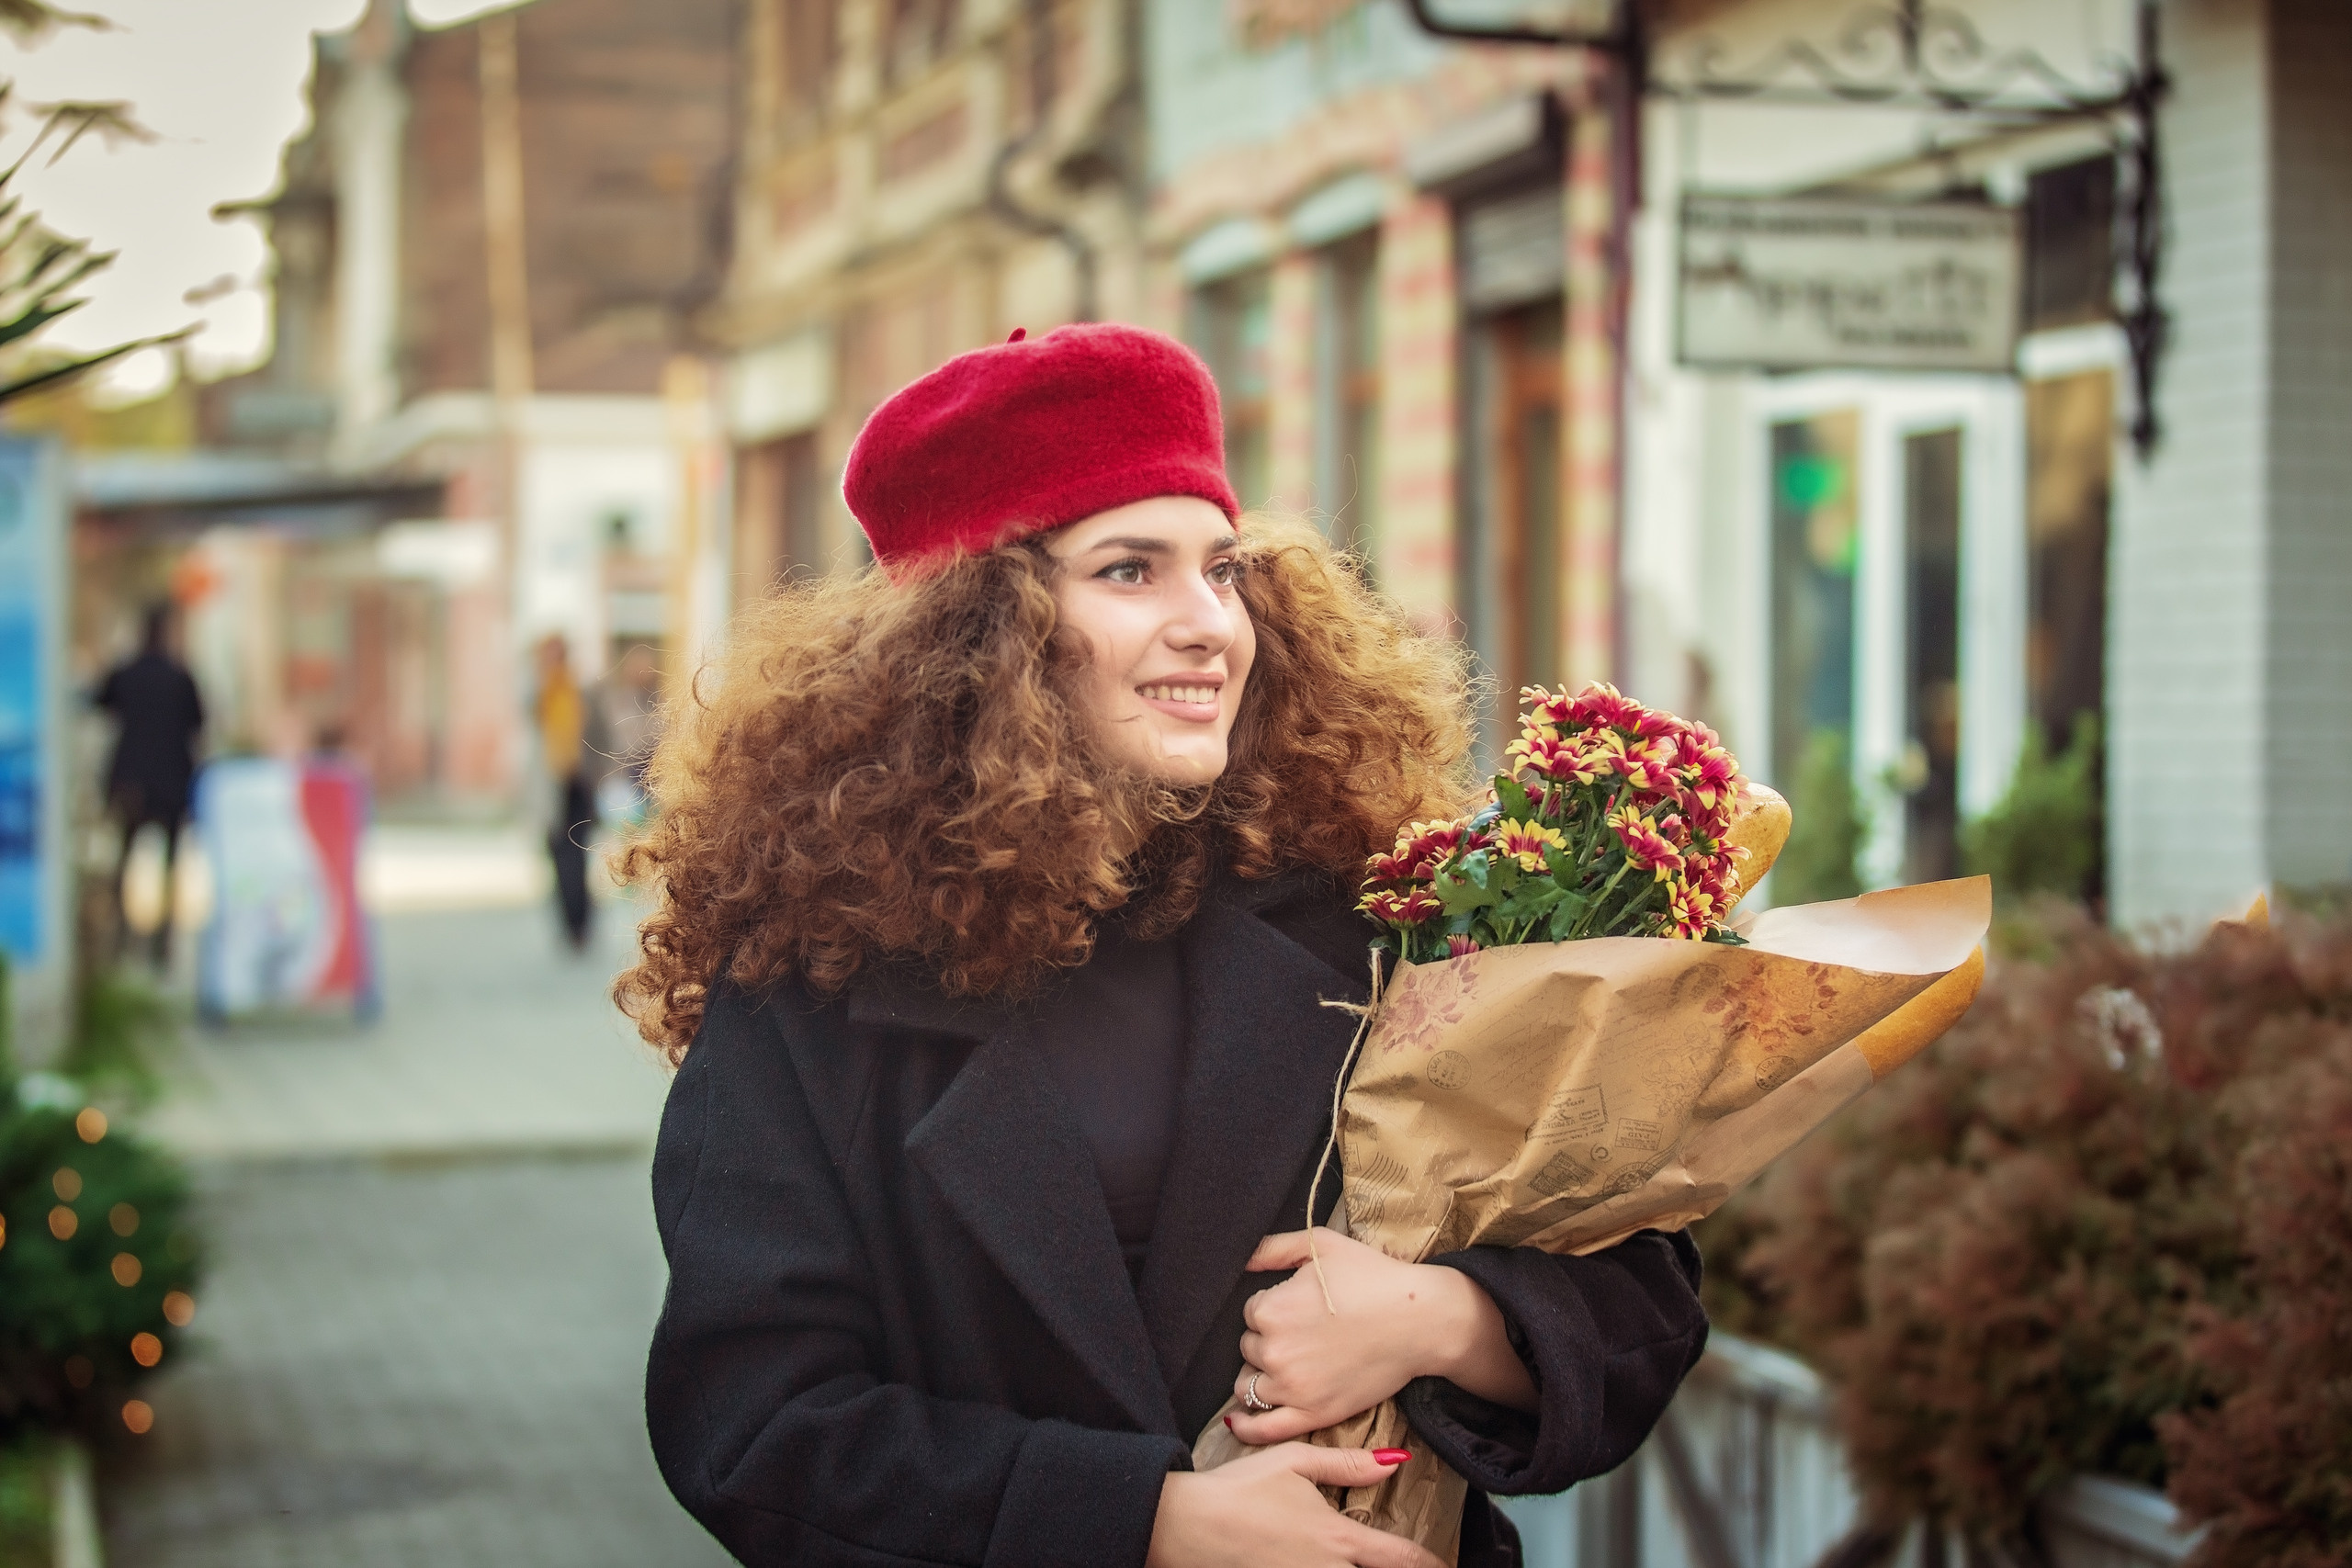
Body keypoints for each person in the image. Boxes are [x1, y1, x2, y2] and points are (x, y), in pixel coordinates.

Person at [621, 324, 1708, 1568]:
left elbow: (1644, 1307)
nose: (1211, 624)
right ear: (978, 637)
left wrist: (1441, 1318)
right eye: (1131, 569)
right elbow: (752, 1427)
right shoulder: (813, 984)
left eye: (1224, 568)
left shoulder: (1374, 913)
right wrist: (1146, 1520)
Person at [95, 601, 205, 968]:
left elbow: (100, 704)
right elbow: (199, 724)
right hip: (171, 781)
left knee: (124, 859)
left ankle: (123, 940)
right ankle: (163, 943)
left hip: (131, 780)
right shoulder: (180, 677)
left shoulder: (126, 673)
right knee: (169, 864)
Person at [532, 633, 595, 950]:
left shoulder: (578, 691)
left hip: (577, 784)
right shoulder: (540, 694)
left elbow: (595, 736)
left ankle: (580, 924)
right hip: (551, 788)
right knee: (557, 857)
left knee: (577, 856)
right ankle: (568, 924)